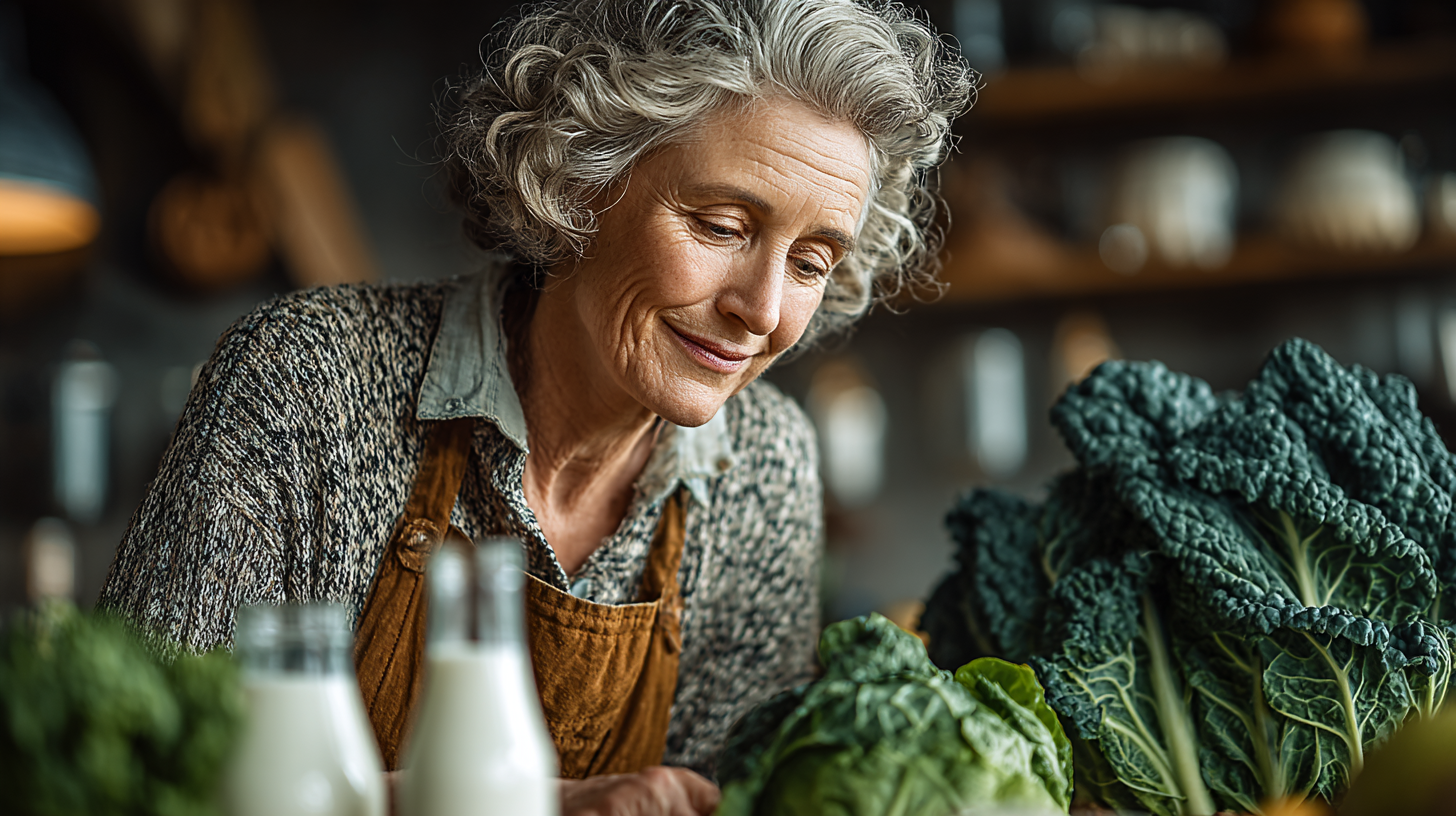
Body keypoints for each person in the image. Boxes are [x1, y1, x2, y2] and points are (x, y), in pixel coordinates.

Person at [99, 0, 971, 813]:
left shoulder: (767, 465)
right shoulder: (308, 382)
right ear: (586, 180)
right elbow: (139, 764)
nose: (765, 308)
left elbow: (723, 795)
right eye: (720, 226)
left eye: (812, 262)